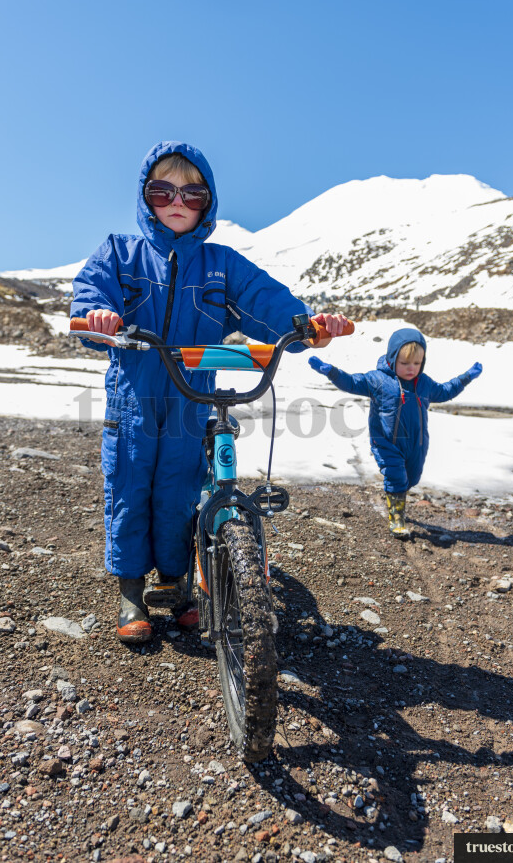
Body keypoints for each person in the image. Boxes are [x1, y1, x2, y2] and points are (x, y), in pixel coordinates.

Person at [71, 140, 349, 642]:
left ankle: (175, 583)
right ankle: (131, 590)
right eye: (162, 191)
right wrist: (98, 316)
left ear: (208, 202)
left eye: (192, 194)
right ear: (144, 197)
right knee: (131, 485)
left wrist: (305, 325)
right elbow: (92, 290)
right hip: (134, 393)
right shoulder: (121, 252)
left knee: (179, 487)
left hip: (191, 393)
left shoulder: (222, 264)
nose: (177, 202)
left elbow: (266, 300)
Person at [308, 327, 482, 538]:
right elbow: (353, 382)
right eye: (405, 363)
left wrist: (466, 378)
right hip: (386, 441)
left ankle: (397, 498)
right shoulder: (378, 380)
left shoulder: (424, 383)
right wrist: (332, 372)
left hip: (416, 443)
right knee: (396, 477)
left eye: (417, 363)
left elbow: (445, 391)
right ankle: (397, 519)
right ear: (392, 359)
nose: (411, 368)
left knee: (412, 478)